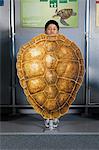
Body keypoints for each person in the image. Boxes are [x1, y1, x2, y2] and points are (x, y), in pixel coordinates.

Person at [44, 20, 60, 129]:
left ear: (58, 31)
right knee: (45, 95)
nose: (52, 31)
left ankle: (56, 116)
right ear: (45, 31)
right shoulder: (39, 44)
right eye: (49, 29)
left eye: (54, 29)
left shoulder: (63, 44)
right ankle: (46, 116)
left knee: (58, 95)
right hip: (44, 73)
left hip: (58, 74)